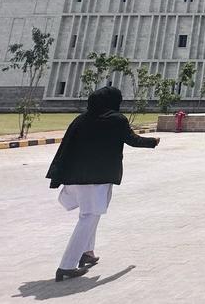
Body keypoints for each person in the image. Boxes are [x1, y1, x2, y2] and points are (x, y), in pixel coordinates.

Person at [46, 86, 160, 282]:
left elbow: (66, 146)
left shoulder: (81, 120)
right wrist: (153, 141)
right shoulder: (116, 119)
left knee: (90, 214)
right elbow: (132, 140)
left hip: (77, 177)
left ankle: (87, 252)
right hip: (97, 179)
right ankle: (67, 266)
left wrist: (58, 174)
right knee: (89, 216)